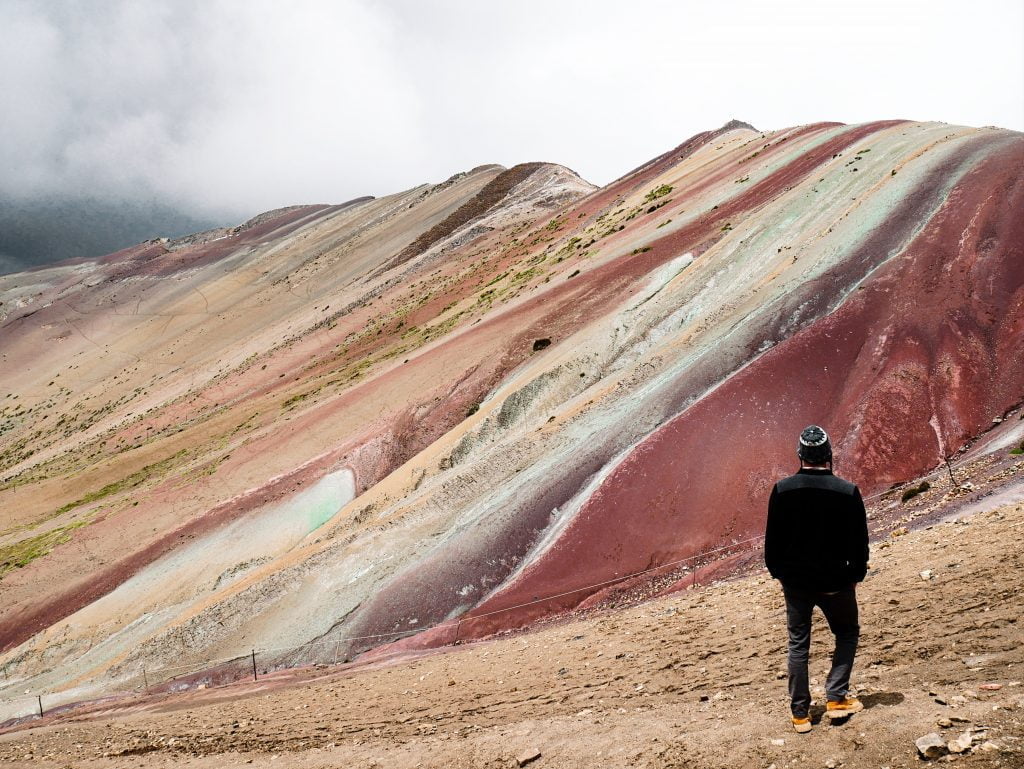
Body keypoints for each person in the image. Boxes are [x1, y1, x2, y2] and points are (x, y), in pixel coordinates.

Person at [764, 425, 869, 733]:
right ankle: (837, 698)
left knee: (798, 644)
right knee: (847, 633)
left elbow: (773, 544)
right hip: (836, 581)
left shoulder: (782, 490)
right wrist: (855, 576)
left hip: (796, 583)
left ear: (800, 455)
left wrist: (780, 574)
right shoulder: (847, 491)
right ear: (828, 455)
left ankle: (800, 714)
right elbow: (859, 543)